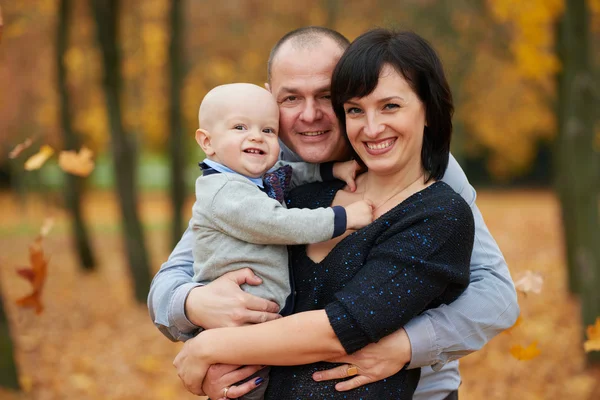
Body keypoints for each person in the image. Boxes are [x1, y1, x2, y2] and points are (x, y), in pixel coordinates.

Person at [148, 26, 519, 400]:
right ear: (269, 98)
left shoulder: (423, 169)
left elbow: (496, 295)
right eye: (291, 98)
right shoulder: (263, 170)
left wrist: (404, 346)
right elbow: (174, 278)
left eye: (326, 95)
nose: (310, 115)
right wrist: (195, 306)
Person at [189, 82, 373, 399]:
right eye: (239, 127)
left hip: (262, 325)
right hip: (237, 325)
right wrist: (343, 218)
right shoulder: (224, 192)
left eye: (268, 130)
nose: (256, 136)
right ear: (207, 141)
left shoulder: (252, 178)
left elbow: (291, 173)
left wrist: (332, 171)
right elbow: (278, 223)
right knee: (242, 389)